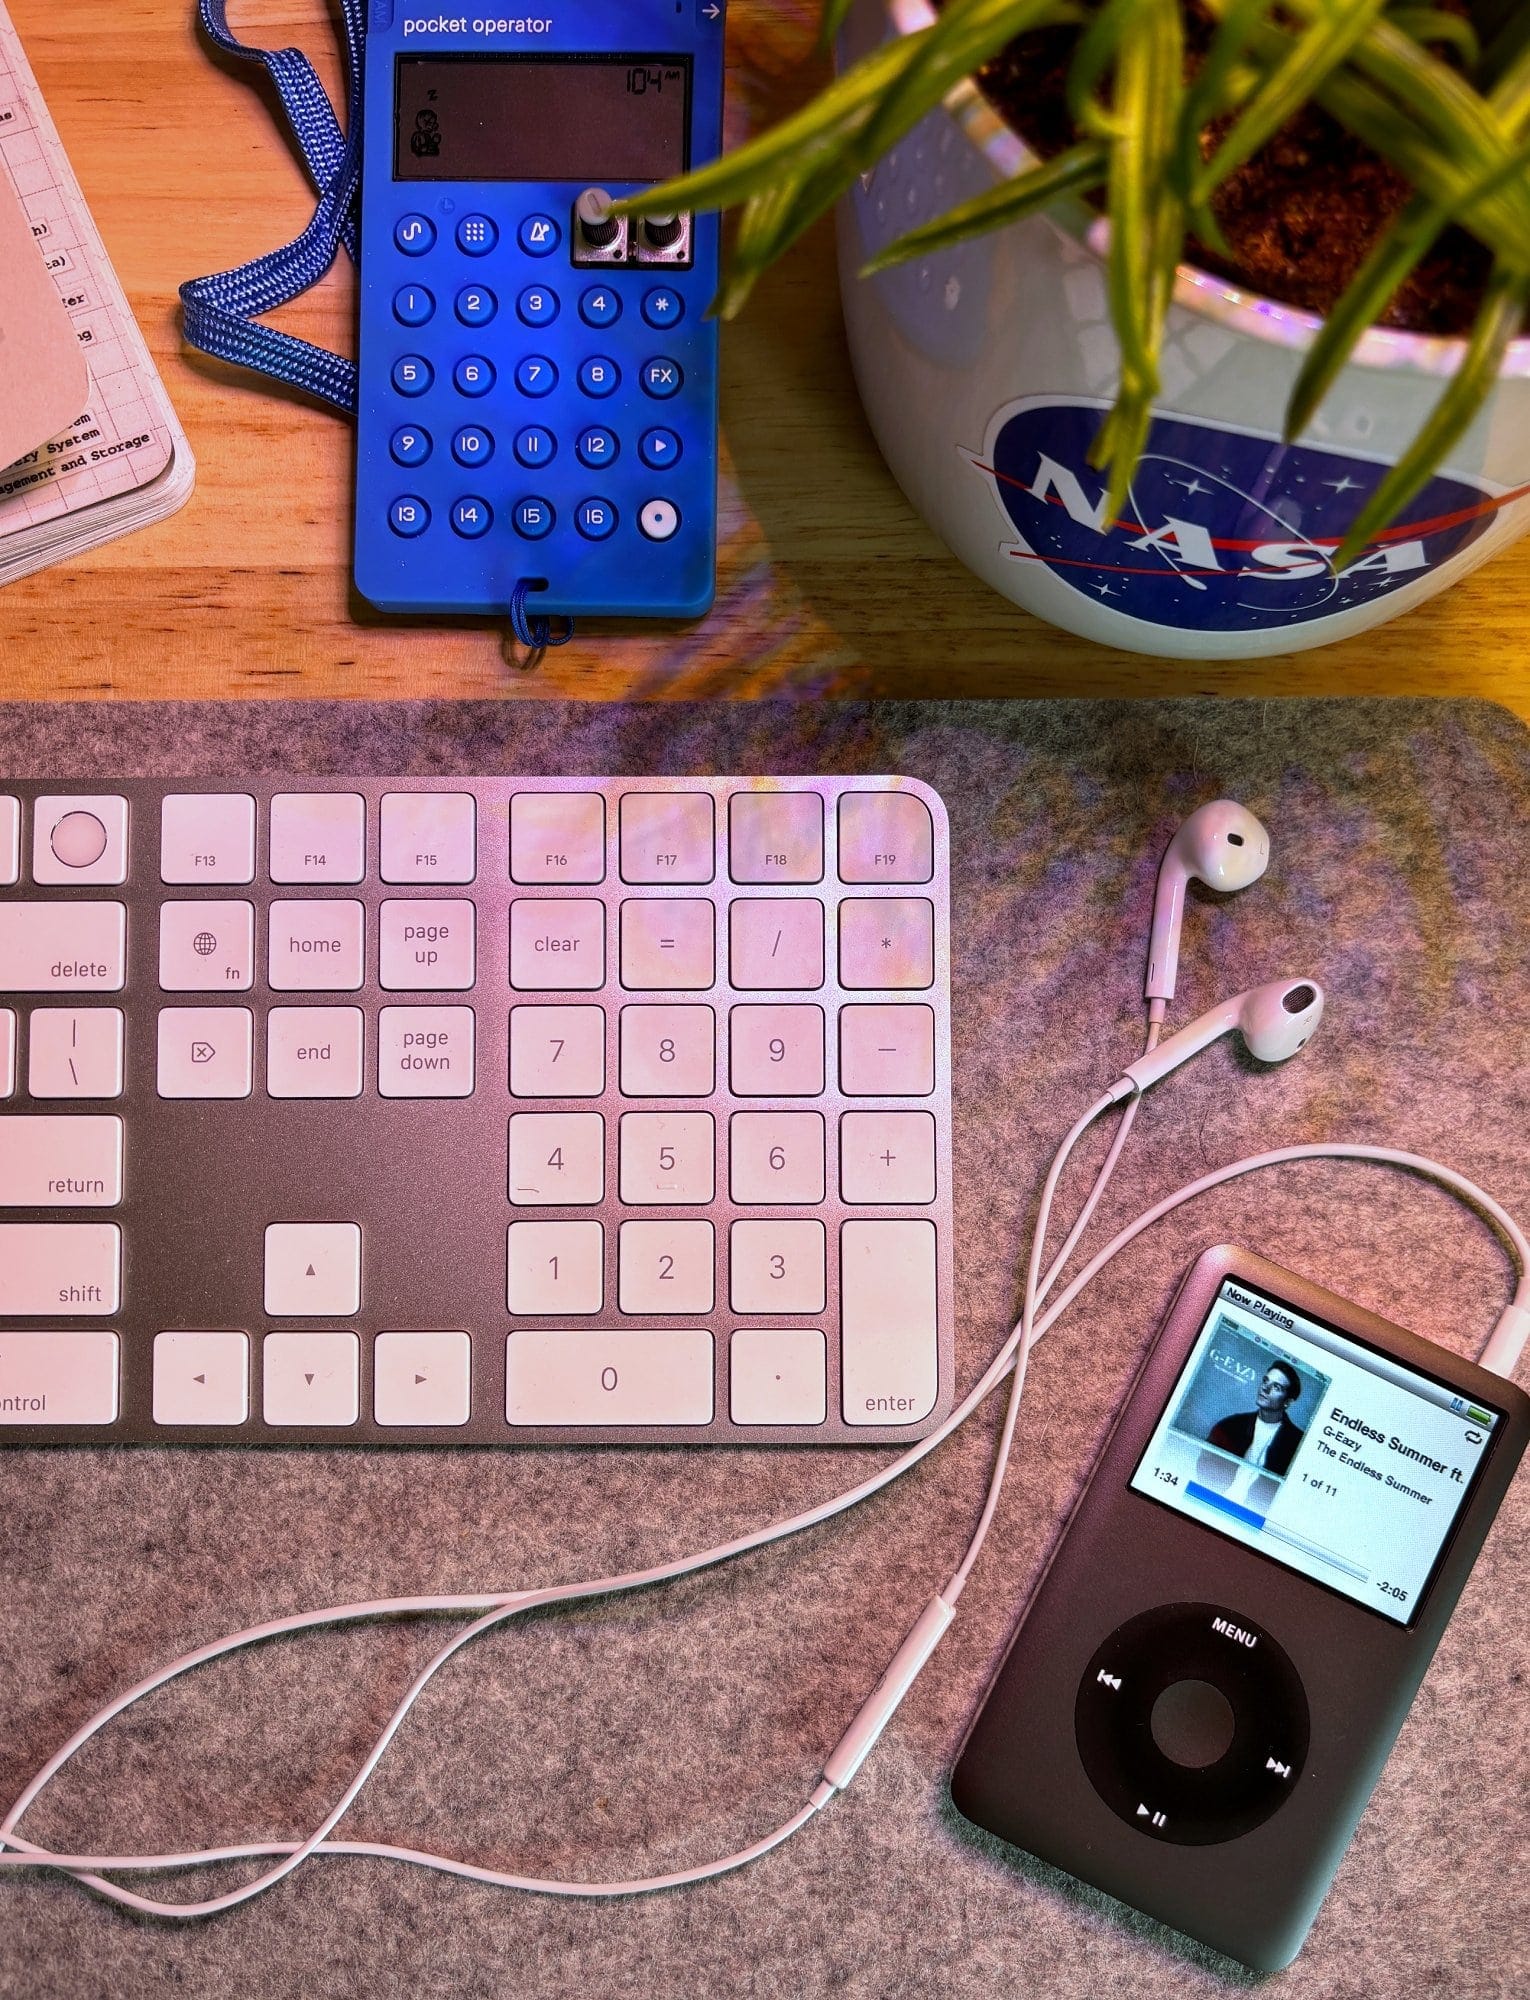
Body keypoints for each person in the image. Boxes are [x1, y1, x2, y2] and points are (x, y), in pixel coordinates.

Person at [1208, 1360, 1306, 1477]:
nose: (1265, 1388)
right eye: (1265, 1381)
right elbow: (1205, 1461)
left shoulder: (1297, 1444)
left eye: (1276, 1387)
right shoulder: (1231, 1425)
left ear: (1288, 1402)